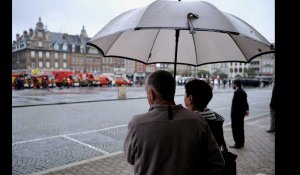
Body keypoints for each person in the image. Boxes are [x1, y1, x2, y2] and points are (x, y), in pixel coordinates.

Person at [124, 70, 225, 175]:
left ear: (151, 94)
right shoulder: (197, 121)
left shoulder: (137, 124)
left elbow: (130, 159)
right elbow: (217, 162)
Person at [184, 79, 226, 149]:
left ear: (190, 98)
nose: (184, 97)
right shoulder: (215, 118)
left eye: (185, 94)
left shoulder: (188, 121)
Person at [229, 80, 249, 148]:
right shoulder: (243, 91)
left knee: (235, 129)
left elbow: (235, 105)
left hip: (236, 114)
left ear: (235, 84)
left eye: (233, 84)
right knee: (241, 128)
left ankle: (237, 143)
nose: (232, 85)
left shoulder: (237, 92)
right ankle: (241, 142)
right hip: (241, 114)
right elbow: (245, 102)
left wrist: (232, 115)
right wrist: (246, 110)